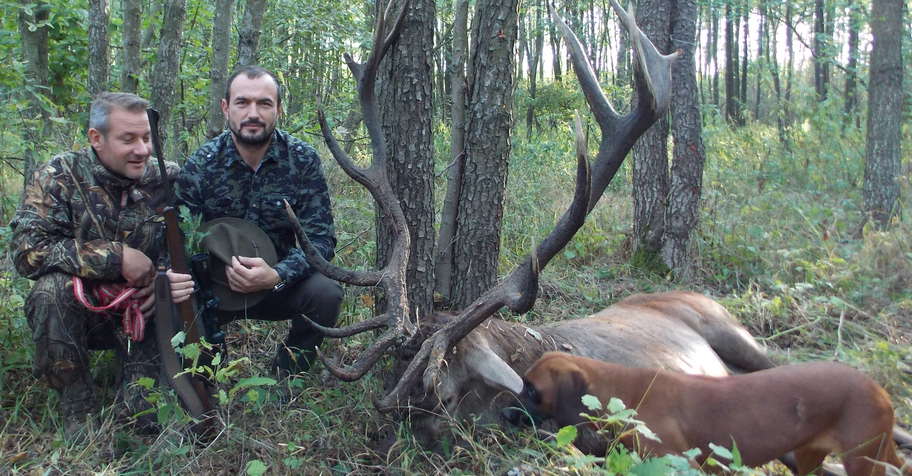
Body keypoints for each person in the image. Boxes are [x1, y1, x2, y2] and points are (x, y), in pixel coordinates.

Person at [10, 92, 177, 433]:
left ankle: (137, 407)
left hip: (146, 312)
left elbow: (193, 244)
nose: (142, 150)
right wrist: (115, 258)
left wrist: (163, 280)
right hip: (81, 314)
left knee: (142, 424)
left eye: (146, 138)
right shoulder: (60, 175)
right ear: (96, 139)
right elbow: (26, 252)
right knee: (50, 291)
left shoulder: (167, 178)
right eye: (128, 139)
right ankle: (78, 412)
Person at [170, 65, 343, 377]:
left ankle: (288, 378)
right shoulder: (202, 164)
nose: (253, 113)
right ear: (226, 108)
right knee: (175, 298)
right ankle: (203, 372)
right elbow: (177, 240)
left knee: (326, 293)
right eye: (242, 103)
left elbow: (321, 240)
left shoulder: (302, 160)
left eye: (264, 103)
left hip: (277, 286)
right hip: (215, 288)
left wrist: (277, 274)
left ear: (278, 109)